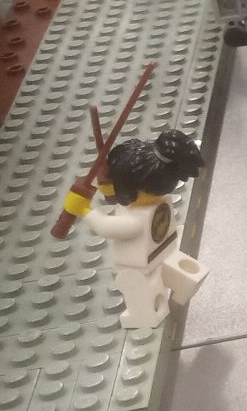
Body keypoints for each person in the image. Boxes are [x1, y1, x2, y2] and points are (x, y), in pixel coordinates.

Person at [82, 129, 208, 332]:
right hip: (165, 253)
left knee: (139, 291)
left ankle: (144, 315)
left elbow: (105, 227)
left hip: (138, 269)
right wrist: (106, 181)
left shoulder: (135, 221)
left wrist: (83, 210)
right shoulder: (162, 201)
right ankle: (173, 296)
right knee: (171, 278)